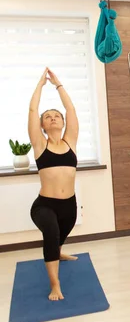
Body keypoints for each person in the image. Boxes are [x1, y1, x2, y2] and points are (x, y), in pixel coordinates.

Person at [28, 68, 80, 301]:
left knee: (60, 236)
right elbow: (32, 110)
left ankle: (58, 252)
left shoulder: (71, 142)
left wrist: (58, 84)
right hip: (44, 205)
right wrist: (40, 85)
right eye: (47, 117)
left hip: (69, 205)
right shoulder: (40, 145)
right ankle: (55, 285)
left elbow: (70, 109)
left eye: (55, 115)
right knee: (51, 232)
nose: (52, 118)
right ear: (42, 126)